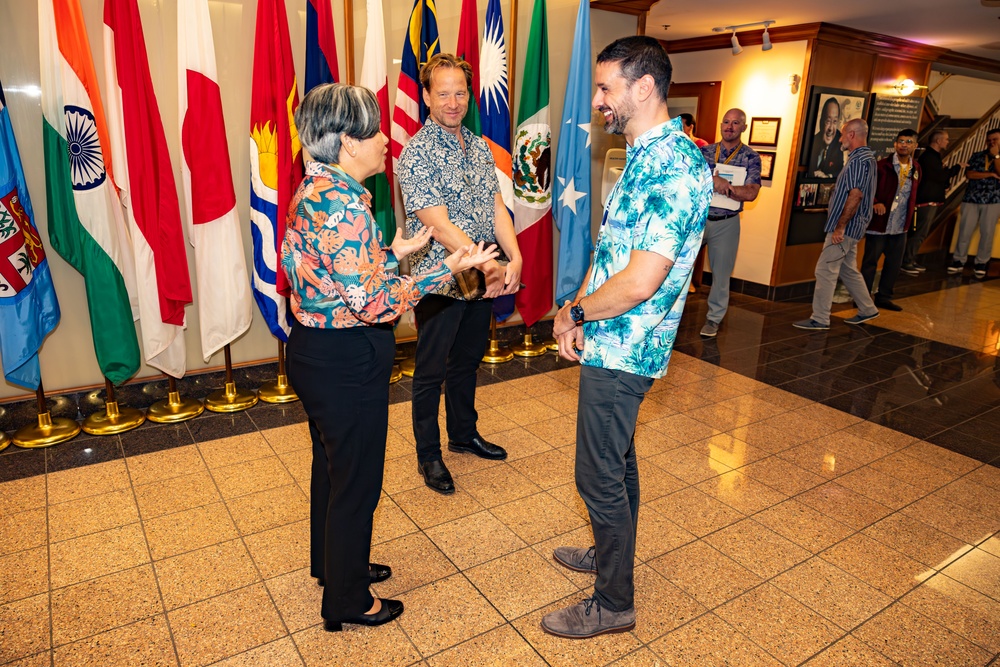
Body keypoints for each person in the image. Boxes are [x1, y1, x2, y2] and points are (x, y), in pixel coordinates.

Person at [281, 83, 498, 632]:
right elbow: (375, 302)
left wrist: (391, 253)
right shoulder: (346, 205)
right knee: (357, 481)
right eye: (374, 131)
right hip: (346, 359)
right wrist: (442, 269)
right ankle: (348, 602)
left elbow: (336, 269)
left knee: (333, 471)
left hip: (315, 352)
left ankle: (336, 567)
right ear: (348, 142)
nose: (385, 141)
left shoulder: (316, 187)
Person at [543, 36, 712, 639]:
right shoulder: (640, 153)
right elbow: (613, 250)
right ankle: (609, 550)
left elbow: (640, 281)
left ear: (644, 88)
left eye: (606, 87)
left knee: (596, 474)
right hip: (609, 335)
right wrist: (578, 305)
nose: (597, 100)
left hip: (628, 344)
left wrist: (575, 315)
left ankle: (613, 602)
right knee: (618, 462)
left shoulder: (675, 164)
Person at [399, 53, 523, 495]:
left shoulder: (478, 145)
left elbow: (494, 206)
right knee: (431, 370)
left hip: (482, 274)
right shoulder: (416, 153)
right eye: (443, 92)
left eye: (460, 92)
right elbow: (438, 223)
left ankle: (463, 434)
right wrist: (486, 262)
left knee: (468, 360)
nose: (453, 102)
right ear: (427, 96)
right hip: (441, 277)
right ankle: (428, 455)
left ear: (469, 94)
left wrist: (515, 254)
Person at [794, 118, 879, 331]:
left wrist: (840, 227)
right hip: (853, 226)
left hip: (846, 228)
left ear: (851, 134)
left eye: (842, 134)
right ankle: (868, 308)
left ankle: (820, 318)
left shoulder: (859, 160)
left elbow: (856, 194)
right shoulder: (866, 158)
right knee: (848, 269)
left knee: (825, 270)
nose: (840, 138)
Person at [697, 108, 761, 337]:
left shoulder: (750, 157)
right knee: (678, 269)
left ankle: (713, 320)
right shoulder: (705, 152)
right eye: (726, 122)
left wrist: (728, 187)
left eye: (735, 123)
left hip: (726, 222)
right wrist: (712, 179)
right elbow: (689, 181)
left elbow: (751, 192)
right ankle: (669, 314)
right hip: (698, 220)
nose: (729, 126)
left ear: (744, 127)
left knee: (721, 276)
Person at [860, 128, 921, 312]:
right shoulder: (881, 166)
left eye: (909, 142)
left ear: (915, 146)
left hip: (900, 224)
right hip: (880, 224)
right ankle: (862, 298)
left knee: (894, 264)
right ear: (895, 144)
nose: (904, 145)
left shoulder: (916, 168)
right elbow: (866, 188)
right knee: (870, 262)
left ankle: (884, 297)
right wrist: (875, 202)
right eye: (901, 141)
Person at [902, 129, 965, 275]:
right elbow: (938, 176)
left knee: (921, 233)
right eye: (946, 139)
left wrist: (945, 184)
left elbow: (936, 177)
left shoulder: (934, 157)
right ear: (938, 141)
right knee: (918, 232)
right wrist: (956, 168)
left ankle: (910, 259)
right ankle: (906, 261)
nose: (948, 142)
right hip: (925, 201)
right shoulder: (929, 157)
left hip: (930, 200)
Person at [948, 127, 1000, 279]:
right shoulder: (977, 155)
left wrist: (996, 156)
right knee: (965, 231)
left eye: (995, 140)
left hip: (993, 201)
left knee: (987, 233)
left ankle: (981, 263)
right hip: (971, 198)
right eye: (989, 140)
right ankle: (958, 260)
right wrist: (990, 174)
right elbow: (970, 174)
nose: (991, 143)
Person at [809, 97, 844, 179]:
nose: (831, 129)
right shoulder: (812, 141)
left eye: (835, 122)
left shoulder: (842, 142)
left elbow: (843, 170)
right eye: (828, 121)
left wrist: (828, 177)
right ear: (820, 122)